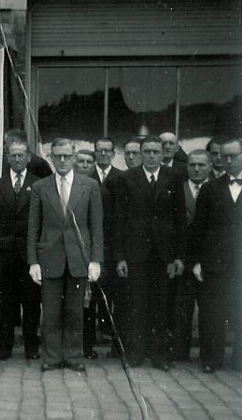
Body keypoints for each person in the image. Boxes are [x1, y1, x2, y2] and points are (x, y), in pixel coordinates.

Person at [27, 138, 103, 372]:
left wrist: (95, 260)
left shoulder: (89, 186)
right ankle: (51, 357)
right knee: (50, 312)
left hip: (78, 256)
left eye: (66, 156)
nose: (61, 160)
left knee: (75, 312)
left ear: (73, 157)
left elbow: (96, 226)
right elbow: (33, 228)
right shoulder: (41, 188)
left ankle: (73, 356)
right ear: (51, 157)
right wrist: (33, 262)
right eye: (57, 156)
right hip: (49, 258)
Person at [114, 135, 184, 370]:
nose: (152, 156)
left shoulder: (173, 177)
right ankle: (136, 353)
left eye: (156, 151)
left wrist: (177, 256)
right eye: (148, 152)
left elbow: (179, 219)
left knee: (161, 305)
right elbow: (120, 219)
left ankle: (159, 356)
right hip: (136, 252)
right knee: (137, 304)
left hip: (164, 253)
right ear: (141, 153)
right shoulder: (128, 178)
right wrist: (121, 257)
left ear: (163, 154)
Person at [190, 138, 242, 373]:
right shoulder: (210, 188)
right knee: (213, 314)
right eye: (224, 156)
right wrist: (197, 261)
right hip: (215, 262)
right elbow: (199, 228)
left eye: (233, 156)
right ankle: (212, 359)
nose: (227, 160)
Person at [0, 139, 41, 361]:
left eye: (21, 155)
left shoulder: (39, 184)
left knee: (31, 304)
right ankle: (5, 347)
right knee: (7, 303)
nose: (17, 159)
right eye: (13, 155)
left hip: (30, 254)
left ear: (28, 157)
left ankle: (31, 347)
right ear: (7, 158)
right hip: (5, 254)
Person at [170, 150, 212, 362]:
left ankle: (208, 355)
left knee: (208, 309)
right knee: (182, 308)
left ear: (210, 166)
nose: (196, 169)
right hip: (183, 258)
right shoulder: (178, 188)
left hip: (209, 259)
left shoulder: (216, 188)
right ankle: (180, 352)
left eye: (201, 165)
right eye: (192, 165)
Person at [84, 137, 123, 360]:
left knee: (114, 300)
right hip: (89, 248)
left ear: (113, 153)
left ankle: (116, 347)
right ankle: (87, 347)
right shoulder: (86, 177)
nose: (104, 154)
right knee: (89, 302)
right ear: (95, 153)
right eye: (100, 151)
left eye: (108, 151)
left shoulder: (121, 177)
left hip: (111, 248)